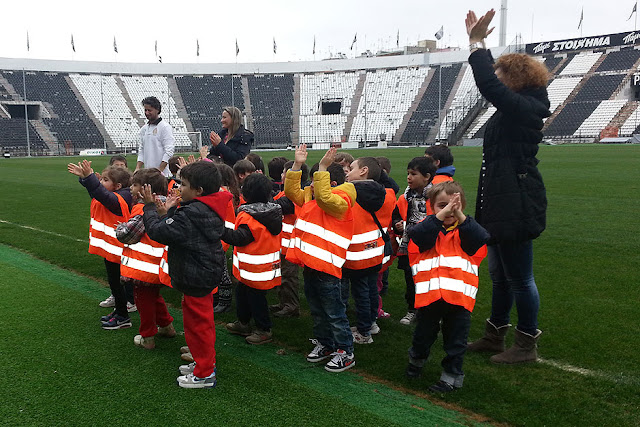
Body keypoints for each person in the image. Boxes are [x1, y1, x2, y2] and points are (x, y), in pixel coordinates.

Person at [464, 9, 549, 364]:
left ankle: (526, 344)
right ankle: (494, 335)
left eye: (500, 71)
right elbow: (494, 88)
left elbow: (490, 86)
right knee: (500, 276)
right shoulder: (518, 107)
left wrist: (475, 44)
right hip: (501, 201)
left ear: (512, 76)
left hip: (516, 202)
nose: (495, 76)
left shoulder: (528, 107)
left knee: (520, 279)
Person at [142, 161, 232, 389]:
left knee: (199, 326)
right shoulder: (209, 207)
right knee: (197, 324)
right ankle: (202, 362)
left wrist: (150, 207)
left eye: (183, 184)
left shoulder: (192, 213)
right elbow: (179, 230)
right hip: (201, 273)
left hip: (196, 276)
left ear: (199, 190)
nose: (179, 188)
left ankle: (204, 373)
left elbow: (158, 231)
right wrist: (171, 211)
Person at [406, 182, 489, 392]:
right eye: (442, 205)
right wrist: (440, 215)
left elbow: (480, 239)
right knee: (423, 336)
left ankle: (451, 377)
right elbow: (419, 236)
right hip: (429, 298)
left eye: (455, 205)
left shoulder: (467, 231)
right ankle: (416, 363)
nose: (450, 210)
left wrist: (460, 216)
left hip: (459, 300)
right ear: (431, 207)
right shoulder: (425, 229)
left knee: (456, 341)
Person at [285, 145, 356, 372]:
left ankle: (345, 351)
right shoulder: (311, 198)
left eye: (314, 182)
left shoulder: (340, 202)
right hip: (311, 267)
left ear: (329, 184)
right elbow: (291, 192)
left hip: (327, 269)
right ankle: (325, 344)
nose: (310, 186)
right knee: (317, 310)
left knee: (334, 312)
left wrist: (324, 166)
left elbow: (325, 197)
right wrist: (297, 165)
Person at [67, 161, 133, 329]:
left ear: (117, 185)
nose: (101, 182)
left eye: (105, 180)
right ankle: (119, 310)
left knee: (117, 283)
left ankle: (123, 316)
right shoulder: (118, 195)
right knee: (114, 283)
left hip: (118, 251)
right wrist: (86, 179)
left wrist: (90, 179)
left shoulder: (120, 199)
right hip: (112, 249)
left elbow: (102, 195)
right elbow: (98, 194)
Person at [115, 169, 176, 350]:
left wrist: (120, 228)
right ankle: (166, 326)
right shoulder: (166, 206)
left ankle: (147, 336)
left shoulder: (143, 209)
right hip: (158, 265)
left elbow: (128, 235)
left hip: (143, 267)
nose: (131, 189)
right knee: (154, 297)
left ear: (145, 190)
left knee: (143, 301)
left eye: (134, 185)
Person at [223, 173, 282, 345]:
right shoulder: (272, 210)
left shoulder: (248, 215)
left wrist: (221, 230)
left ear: (245, 194)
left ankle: (264, 329)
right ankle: (243, 323)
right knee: (243, 293)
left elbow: (240, 238)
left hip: (255, 267)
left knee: (256, 299)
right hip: (262, 265)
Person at [342, 157, 394, 344]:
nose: (348, 172)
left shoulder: (352, 194)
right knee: (371, 288)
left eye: (352, 168)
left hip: (357, 253)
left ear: (363, 171)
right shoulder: (387, 193)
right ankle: (371, 323)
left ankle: (364, 332)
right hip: (376, 250)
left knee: (361, 292)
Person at [391, 157, 437, 326]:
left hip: (429, 247)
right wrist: (397, 225)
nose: (409, 177)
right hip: (409, 246)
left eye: (413, 174)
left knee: (429, 280)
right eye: (408, 173)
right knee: (410, 280)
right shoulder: (405, 196)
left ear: (427, 176)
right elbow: (396, 214)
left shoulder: (435, 196)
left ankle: (429, 311)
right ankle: (412, 309)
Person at [270, 160, 302, 318]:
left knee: (289, 277)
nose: (282, 175)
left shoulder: (293, 195)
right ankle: (284, 302)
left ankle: (291, 306)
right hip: (283, 243)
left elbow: (279, 204)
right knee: (282, 275)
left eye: (284, 172)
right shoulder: (286, 193)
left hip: (290, 244)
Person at [135, 96, 175, 176]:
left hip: (162, 176)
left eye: (149, 110)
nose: (147, 113)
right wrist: (138, 168)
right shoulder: (144, 129)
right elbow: (142, 150)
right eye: (145, 110)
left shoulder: (165, 127)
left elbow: (169, 151)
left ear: (157, 110)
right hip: (148, 174)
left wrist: (159, 171)